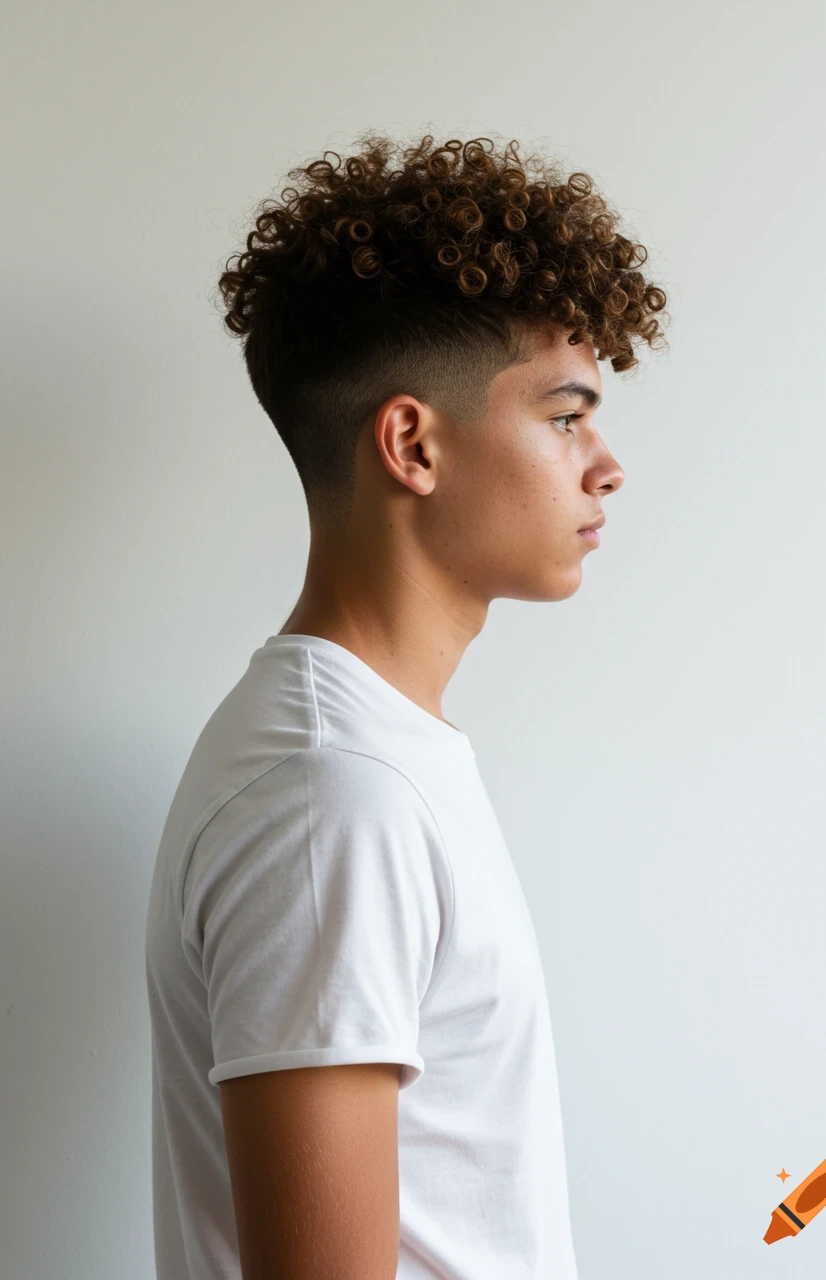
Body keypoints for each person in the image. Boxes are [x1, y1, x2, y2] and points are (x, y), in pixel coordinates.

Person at [144, 130, 669, 1280]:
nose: (605, 464)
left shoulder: (366, 757)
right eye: (566, 415)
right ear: (411, 444)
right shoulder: (334, 796)